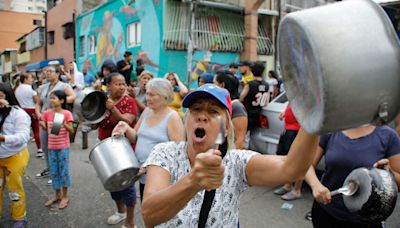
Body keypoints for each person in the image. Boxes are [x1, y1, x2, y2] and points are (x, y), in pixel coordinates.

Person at [138, 84, 319, 227]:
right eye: (196, 109)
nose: (202, 116)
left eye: (213, 112)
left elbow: (293, 169)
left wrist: (316, 116)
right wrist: (192, 181)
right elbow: (149, 215)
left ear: (225, 129)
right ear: (186, 120)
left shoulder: (236, 163)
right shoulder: (165, 153)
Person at [305, 124, 400, 227]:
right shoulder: (331, 129)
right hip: (327, 211)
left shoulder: (388, 136)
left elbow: (398, 183)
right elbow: (306, 165)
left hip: (366, 220)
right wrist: (315, 185)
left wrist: (388, 174)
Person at [113, 78, 185, 203]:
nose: (147, 98)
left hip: (160, 178)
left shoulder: (173, 117)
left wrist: (147, 167)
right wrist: (125, 127)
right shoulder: (147, 111)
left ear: (164, 96)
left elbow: (178, 153)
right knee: (146, 211)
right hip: (141, 175)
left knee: (157, 214)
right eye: (147, 93)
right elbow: (135, 137)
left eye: (152, 94)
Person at [93, 72, 138, 228]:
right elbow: (94, 123)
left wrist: (113, 110)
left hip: (123, 148)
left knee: (127, 184)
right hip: (104, 146)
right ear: (109, 86)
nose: (121, 87)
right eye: (117, 84)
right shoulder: (102, 101)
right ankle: (121, 212)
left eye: (123, 84)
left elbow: (128, 121)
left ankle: (130, 221)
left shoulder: (129, 101)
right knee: (111, 181)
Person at [35, 66, 75, 185]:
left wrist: (59, 102)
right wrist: (39, 115)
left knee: (56, 143)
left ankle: (57, 173)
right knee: (46, 145)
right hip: (44, 117)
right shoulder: (42, 87)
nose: (47, 74)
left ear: (57, 74)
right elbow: (38, 103)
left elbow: (72, 97)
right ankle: (50, 169)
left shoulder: (64, 86)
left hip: (57, 117)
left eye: (50, 71)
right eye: (46, 72)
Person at [0, 83, 31, 228]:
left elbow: (24, 136)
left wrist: (4, 138)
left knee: (14, 188)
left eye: (0, 96)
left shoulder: (18, 113)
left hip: (15, 156)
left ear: (8, 96)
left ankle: (19, 217)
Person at [41, 90, 74, 210]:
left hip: (63, 147)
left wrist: (64, 124)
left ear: (61, 101)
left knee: (63, 171)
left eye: (54, 98)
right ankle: (57, 195)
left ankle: (65, 196)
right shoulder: (47, 113)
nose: (51, 100)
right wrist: (42, 124)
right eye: (50, 98)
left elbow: (72, 131)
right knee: (54, 171)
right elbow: (46, 128)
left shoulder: (66, 113)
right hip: (51, 147)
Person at [274, 104, 302, 200]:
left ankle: (297, 190)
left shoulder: (307, 94)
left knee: (299, 160)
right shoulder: (295, 93)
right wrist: (284, 113)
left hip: (298, 130)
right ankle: (288, 184)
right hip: (288, 129)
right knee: (287, 157)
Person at [214, 71, 248, 149]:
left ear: (222, 85)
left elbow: (239, 139)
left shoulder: (237, 107)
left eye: (214, 83)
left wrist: (229, 158)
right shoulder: (221, 105)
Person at [240, 61, 269, 147]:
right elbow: (266, 102)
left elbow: (241, 97)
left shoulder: (250, 84)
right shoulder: (266, 85)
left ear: (252, 71)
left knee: (244, 136)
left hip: (248, 113)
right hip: (258, 113)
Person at [15, 73, 42, 158]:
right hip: (32, 109)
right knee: (36, 129)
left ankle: (21, 150)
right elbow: (37, 101)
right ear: (25, 79)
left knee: (23, 130)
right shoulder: (30, 89)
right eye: (30, 78)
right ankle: (40, 149)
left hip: (21, 110)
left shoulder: (17, 89)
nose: (32, 80)